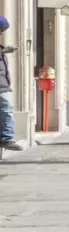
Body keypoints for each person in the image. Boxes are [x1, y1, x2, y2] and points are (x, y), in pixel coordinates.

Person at [0, 18, 17, 150]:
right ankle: (7, 138)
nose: (1, 34)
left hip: (3, 86)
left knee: (6, 110)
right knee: (7, 109)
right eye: (0, 31)